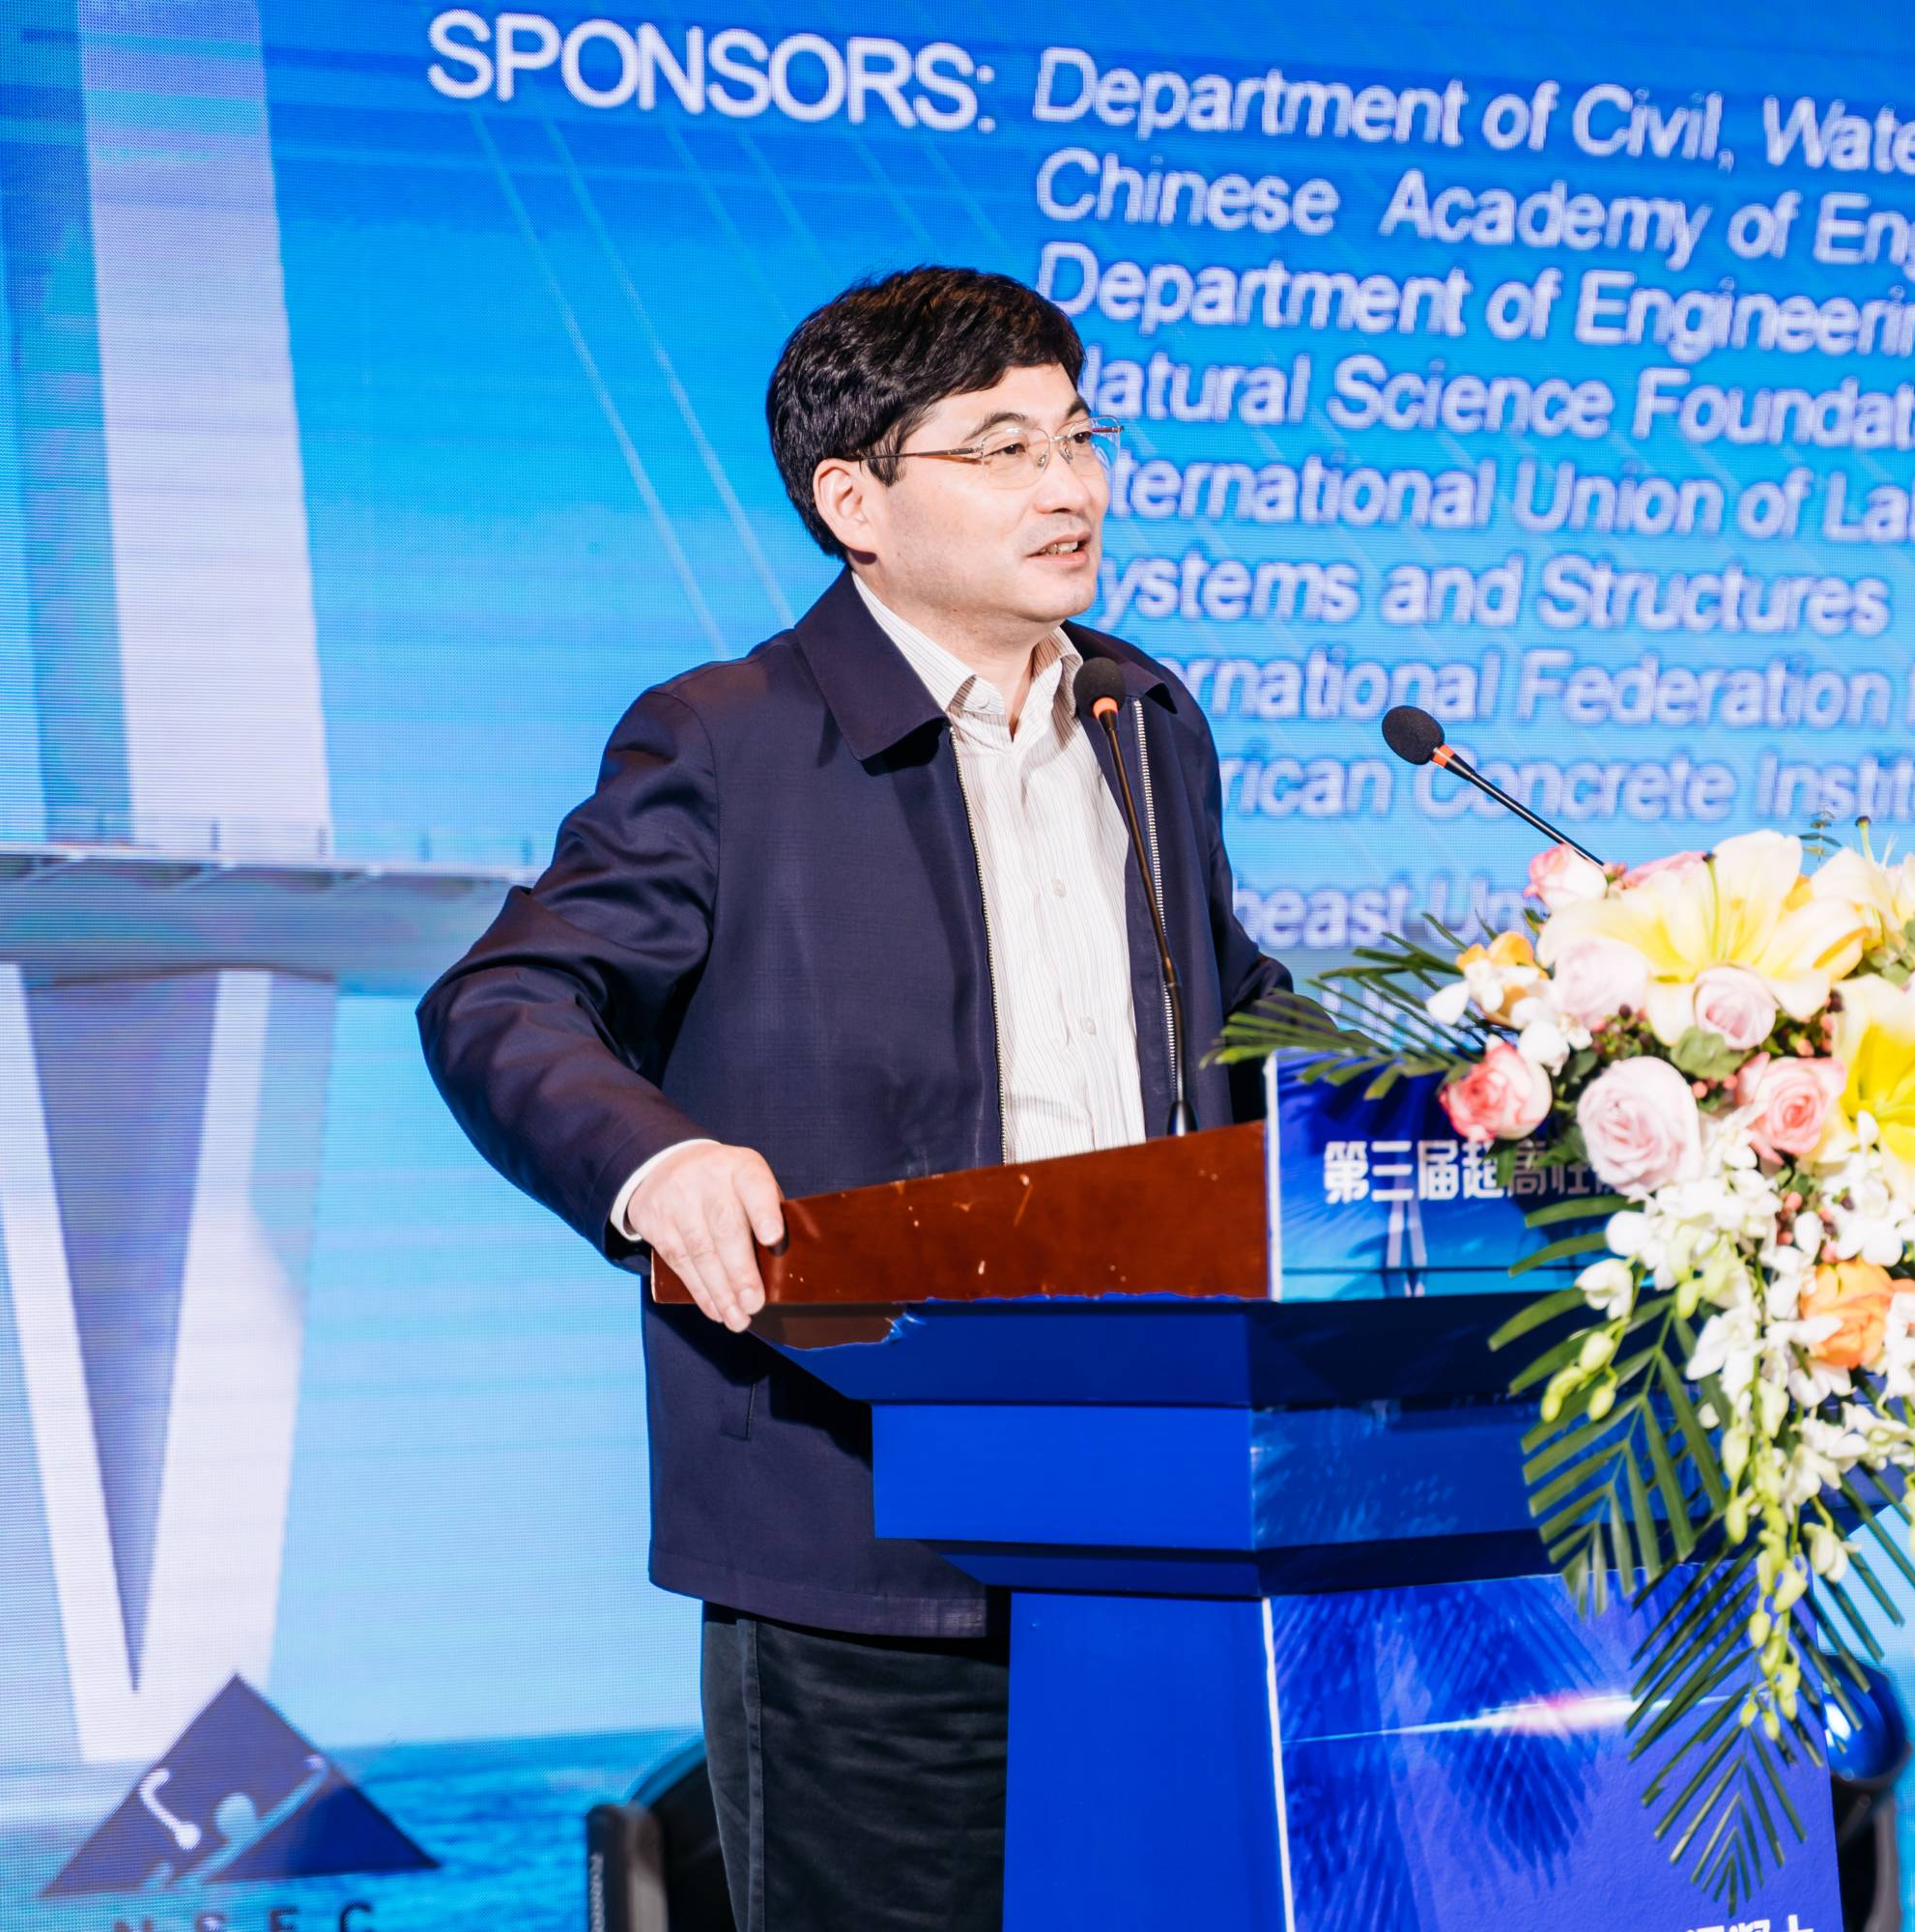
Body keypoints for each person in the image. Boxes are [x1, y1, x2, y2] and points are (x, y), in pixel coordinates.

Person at [417, 266, 1290, 1931]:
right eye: (1004, 447)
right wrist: (658, 1162)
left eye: (1081, 436)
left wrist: (1501, 1073)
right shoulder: (729, 738)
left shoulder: (1143, 718)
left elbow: (1235, 1018)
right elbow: (505, 1000)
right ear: (853, 501)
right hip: (869, 1533)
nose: (1070, 485)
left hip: (1161, 1510)